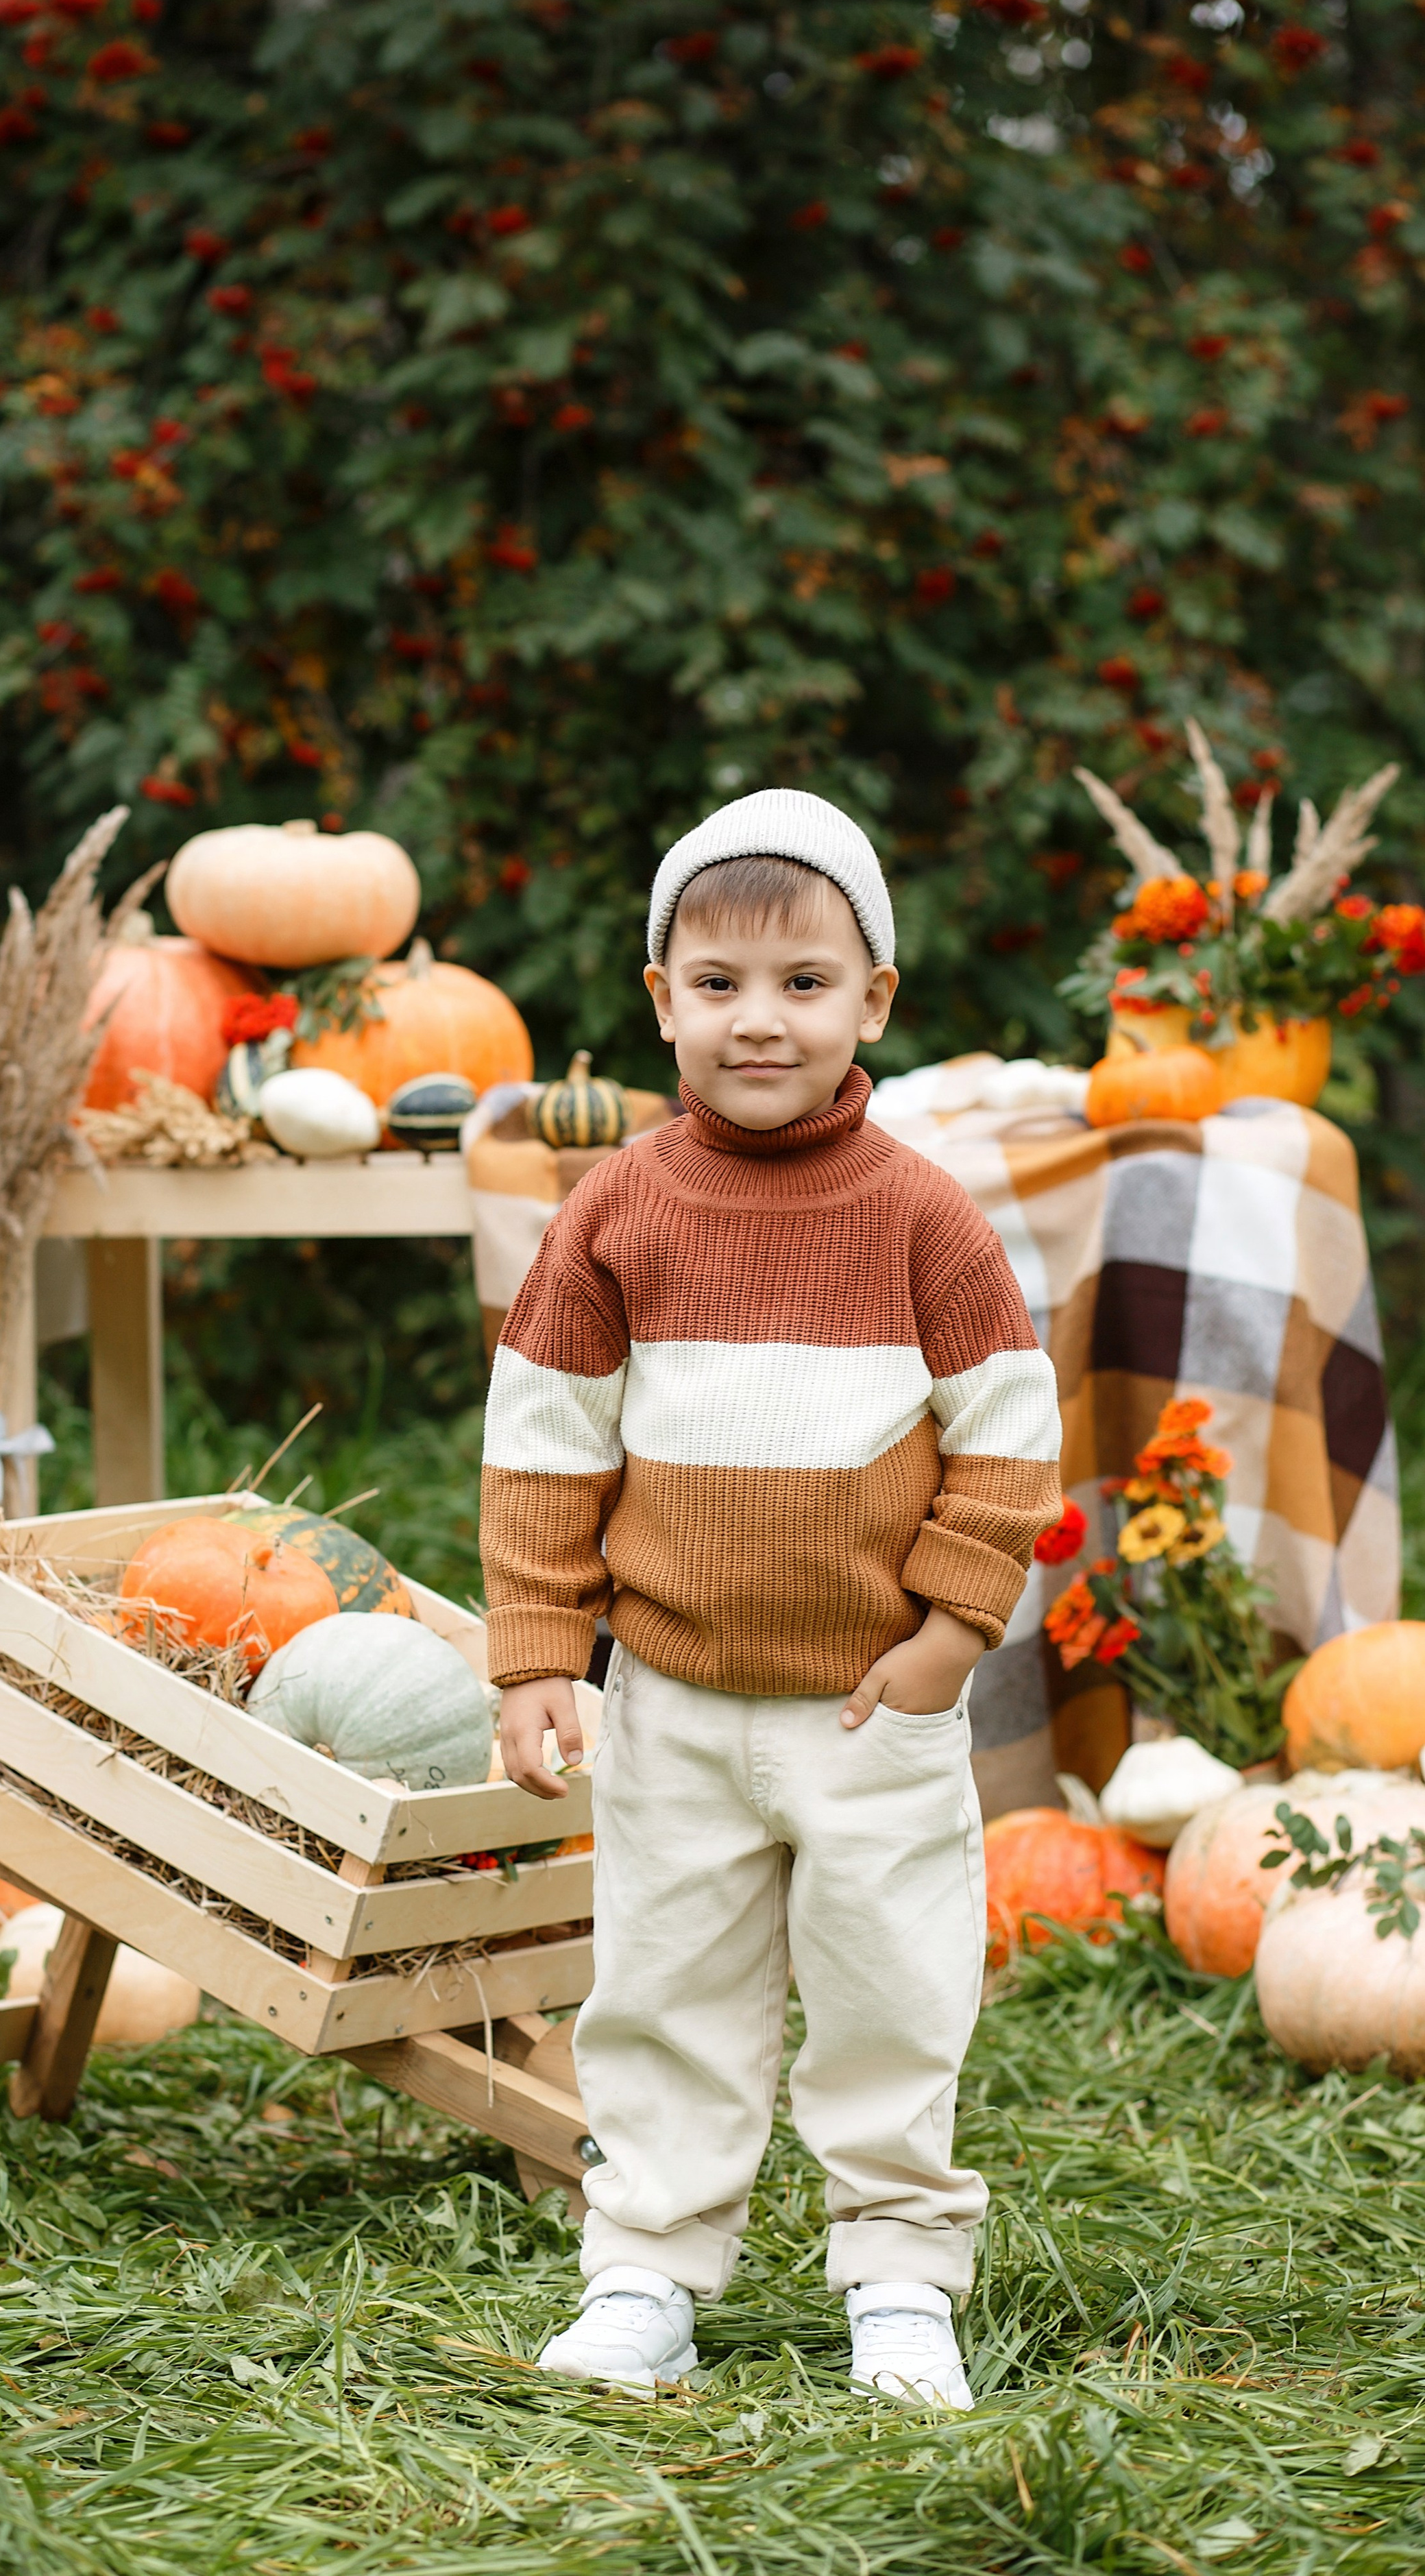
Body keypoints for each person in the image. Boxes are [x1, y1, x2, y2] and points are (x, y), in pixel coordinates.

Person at [479, 788, 1062, 2405]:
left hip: (868, 1698)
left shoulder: (916, 1216)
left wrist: (951, 1630)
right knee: (662, 1991)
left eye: (804, 982)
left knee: (890, 1989)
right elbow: (541, 1441)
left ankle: (896, 2275)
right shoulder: (616, 1213)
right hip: (667, 1694)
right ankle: (648, 2273)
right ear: (659, 999)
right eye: (719, 984)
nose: (760, 1020)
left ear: (873, 999)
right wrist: (537, 1653)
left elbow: (1008, 1431)